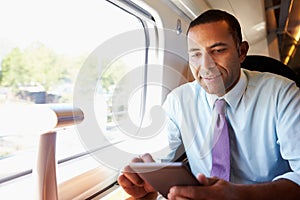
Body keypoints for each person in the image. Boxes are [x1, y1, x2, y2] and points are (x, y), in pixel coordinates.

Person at [118, 9, 300, 199]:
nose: (206, 66)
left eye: (218, 50)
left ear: (241, 52)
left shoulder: (283, 94)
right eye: (196, 54)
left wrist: (236, 195)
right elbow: (160, 156)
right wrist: (145, 176)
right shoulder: (178, 102)